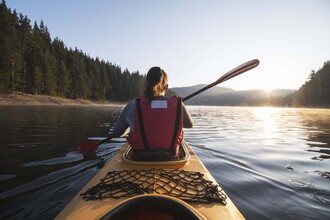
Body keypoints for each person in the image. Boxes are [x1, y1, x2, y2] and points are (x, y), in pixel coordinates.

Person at [111, 66, 194, 159]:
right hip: (170, 158)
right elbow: (190, 125)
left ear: (147, 84)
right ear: (166, 87)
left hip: (139, 159)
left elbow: (116, 133)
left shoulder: (133, 105)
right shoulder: (179, 105)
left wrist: (131, 126)